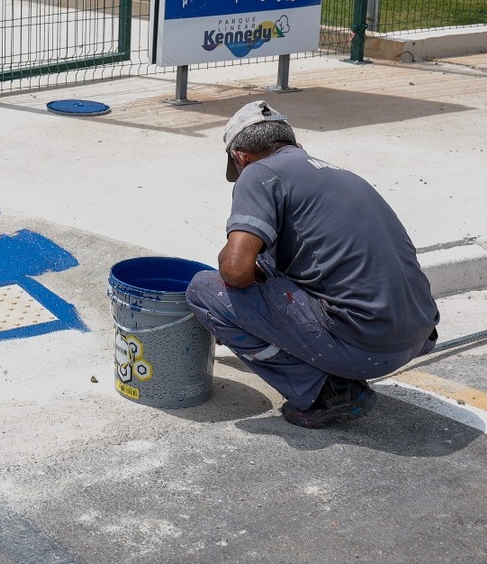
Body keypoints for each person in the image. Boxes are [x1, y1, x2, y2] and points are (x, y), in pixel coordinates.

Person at [186, 100, 439, 428]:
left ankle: (327, 392)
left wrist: (234, 308)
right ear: (296, 146)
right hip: (414, 335)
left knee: (206, 291)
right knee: (266, 262)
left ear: (240, 157)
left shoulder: (259, 172)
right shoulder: (339, 173)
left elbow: (234, 272)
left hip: (366, 347)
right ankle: (332, 369)